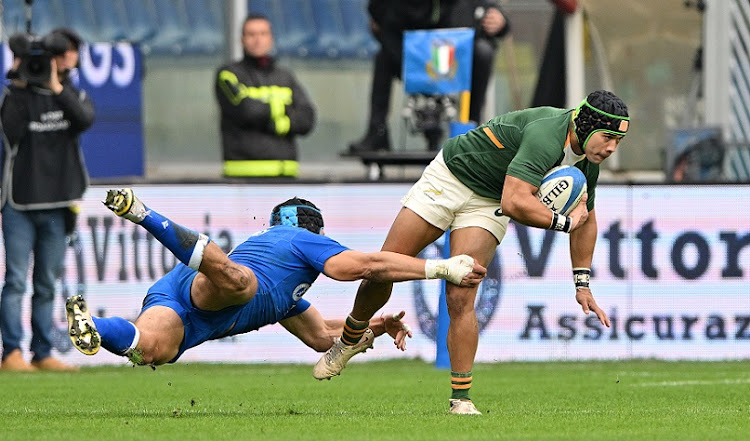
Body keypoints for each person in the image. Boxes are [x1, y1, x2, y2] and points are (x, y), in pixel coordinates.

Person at [316, 90, 629, 415]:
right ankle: (350, 338)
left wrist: (582, 283)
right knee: (383, 268)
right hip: (453, 175)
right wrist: (563, 223)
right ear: (586, 125)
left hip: (488, 202)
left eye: (618, 142)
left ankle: (461, 399)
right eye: (607, 137)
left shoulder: (587, 163)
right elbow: (516, 202)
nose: (611, 148)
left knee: (462, 295)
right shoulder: (547, 133)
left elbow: (586, 219)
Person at [66, 189, 486, 367]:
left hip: (181, 299)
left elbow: (323, 336)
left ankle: (92, 325)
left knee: (148, 350)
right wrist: (441, 267)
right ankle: (144, 214)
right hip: (216, 286)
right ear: (315, 229)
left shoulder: (288, 295)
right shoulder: (303, 239)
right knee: (240, 283)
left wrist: (376, 324)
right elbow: (363, 267)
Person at [0, 28, 94, 372]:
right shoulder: (16, 96)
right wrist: (22, 82)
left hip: (58, 203)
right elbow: (9, 133)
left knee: (46, 282)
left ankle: (41, 352)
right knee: (16, 281)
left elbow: (84, 120)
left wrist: (56, 87)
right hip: (19, 203)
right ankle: (11, 353)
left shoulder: (70, 94)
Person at [346, 0, 510, 154]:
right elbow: (377, 17)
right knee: (383, 57)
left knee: (483, 52)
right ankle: (377, 132)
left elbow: (485, 9)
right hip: (410, 54)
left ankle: (473, 131)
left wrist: (500, 21)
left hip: (453, 56)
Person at [215, 13, 316, 178]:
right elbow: (247, 111)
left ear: (271, 38)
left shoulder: (285, 77)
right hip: (242, 180)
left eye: (263, 34)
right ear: (242, 40)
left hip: (286, 176)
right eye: (251, 34)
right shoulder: (228, 74)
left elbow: (307, 118)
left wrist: (280, 124)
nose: (258, 40)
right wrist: (283, 109)